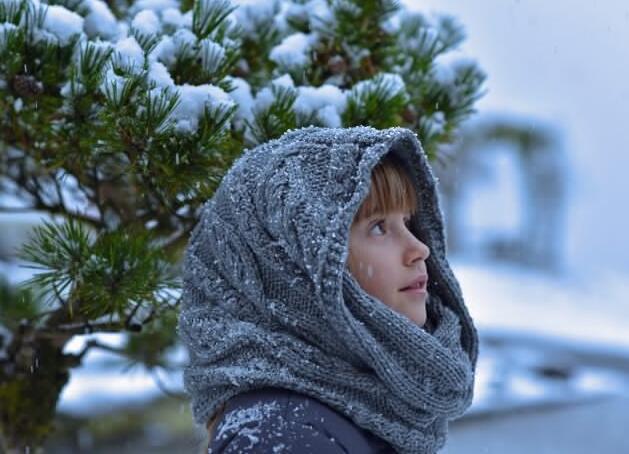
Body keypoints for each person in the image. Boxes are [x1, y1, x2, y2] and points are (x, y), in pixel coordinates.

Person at [178, 126, 478, 453]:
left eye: (407, 222)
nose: (420, 248)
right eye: (379, 227)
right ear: (296, 269)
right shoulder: (284, 437)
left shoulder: (355, 415)